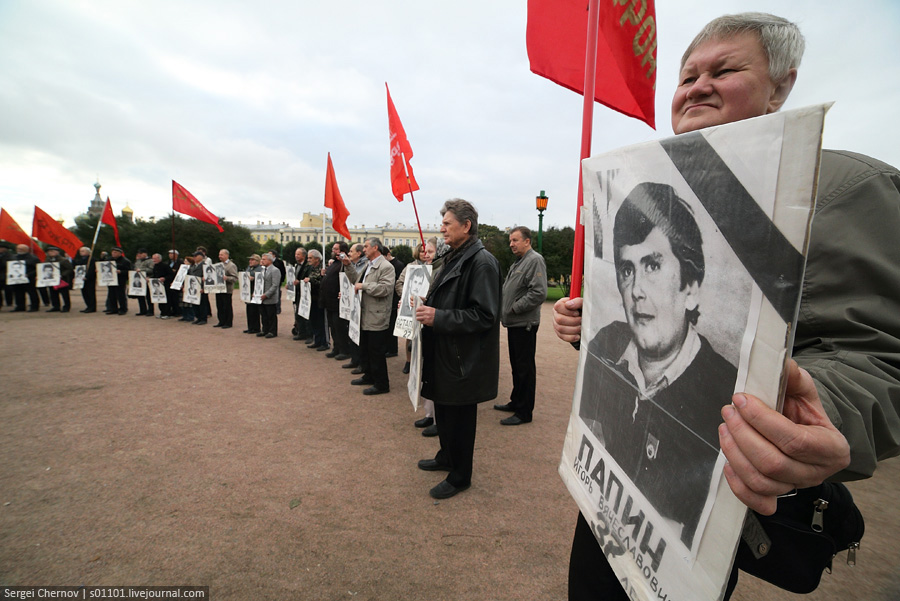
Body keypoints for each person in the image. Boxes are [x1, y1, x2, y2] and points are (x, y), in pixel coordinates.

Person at [555, 13, 900, 600]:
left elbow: (873, 356)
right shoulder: (649, 183)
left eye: (725, 69)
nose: (697, 86)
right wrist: (589, 324)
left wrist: (807, 415)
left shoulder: (838, 187)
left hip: (707, 505)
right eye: (687, 75)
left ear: (781, 86)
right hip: (610, 498)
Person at [415, 199, 501, 499]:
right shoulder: (454, 257)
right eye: (442, 223)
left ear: (466, 226)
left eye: (447, 223)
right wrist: (430, 306)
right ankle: (446, 457)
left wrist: (438, 316)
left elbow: (485, 315)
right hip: (447, 352)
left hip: (464, 359)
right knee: (446, 413)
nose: (442, 228)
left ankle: (461, 475)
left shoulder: (482, 262)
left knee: (461, 420)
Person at [494, 226, 548, 426]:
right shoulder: (520, 261)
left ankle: (524, 412)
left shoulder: (534, 260)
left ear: (527, 241)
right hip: (515, 323)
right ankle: (516, 402)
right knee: (517, 366)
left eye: (515, 240)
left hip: (524, 323)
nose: (511, 244)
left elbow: (539, 292)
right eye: (510, 241)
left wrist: (515, 308)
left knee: (524, 367)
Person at [344, 237, 395, 396]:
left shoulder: (386, 267)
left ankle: (381, 384)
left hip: (377, 316)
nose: (364, 249)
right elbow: (355, 281)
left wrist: (364, 286)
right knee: (365, 348)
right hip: (364, 314)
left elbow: (385, 289)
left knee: (376, 351)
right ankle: (369, 375)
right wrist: (348, 266)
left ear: (375, 248)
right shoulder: (368, 265)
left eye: (366, 246)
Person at [321, 242, 353, 360]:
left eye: (336, 249)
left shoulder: (344, 264)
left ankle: (345, 350)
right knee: (333, 327)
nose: (333, 250)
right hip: (329, 302)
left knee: (340, 327)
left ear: (342, 251)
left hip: (339, 302)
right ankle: (336, 348)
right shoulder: (334, 263)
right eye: (333, 249)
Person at [303, 249, 328, 350]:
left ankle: (324, 342)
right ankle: (317, 340)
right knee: (313, 320)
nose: (308, 260)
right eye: (308, 258)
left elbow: (323, 283)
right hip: (311, 299)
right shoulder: (310, 268)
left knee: (321, 321)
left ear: (317, 259)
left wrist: (311, 280)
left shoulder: (323, 268)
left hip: (320, 299)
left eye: (310, 258)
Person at [384, 247, 405, 358]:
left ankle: (392, 349)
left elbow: (399, 282)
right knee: (387, 326)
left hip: (394, 300)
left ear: (387, 254)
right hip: (388, 299)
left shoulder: (398, 265)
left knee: (392, 325)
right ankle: (387, 347)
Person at [10, 244, 40, 312]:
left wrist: (29, 274)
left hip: (29, 279)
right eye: (18, 248)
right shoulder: (13, 257)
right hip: (17, 279)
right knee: (18, 293)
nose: (19, 250)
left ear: (27, 249)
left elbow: (38, 268)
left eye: (21, 249)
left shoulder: (33, 258)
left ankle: (34, 306)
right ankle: (20, 306)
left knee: (32, 293)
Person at [214, 249, 238, 329]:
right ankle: (221, 321)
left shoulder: (231, 265)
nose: (219, 256)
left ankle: (228, 322)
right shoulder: (218, 265)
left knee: (226, 306)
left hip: (227, 289)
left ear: (227, 255)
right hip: (218, 289)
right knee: (219, 305)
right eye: (219, 254)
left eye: (221, 255)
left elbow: (235, 278)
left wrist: (227, 278)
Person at [45, 246, 74, 313]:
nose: (50, 253)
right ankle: (56, 306)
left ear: (57, 252)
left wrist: (62, 274)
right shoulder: (47, 260)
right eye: (49, 251)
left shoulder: (63, 260)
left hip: (62, 280)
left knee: (64, 294)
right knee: (53, 294)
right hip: (52, 280)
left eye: (52, 251)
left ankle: (66, 307)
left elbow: (70, 269)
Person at [258, 252, 281, 338]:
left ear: (270, 260)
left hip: (270, 297)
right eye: (262, 259)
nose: (262, 261)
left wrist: (266, 295)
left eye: (264, 259)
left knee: (271, 315)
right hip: (261, 297)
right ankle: (265, 329)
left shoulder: (275, 270)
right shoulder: (263, 270)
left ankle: (272, 331)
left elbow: (275, 285)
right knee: (263, 315)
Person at [292, 248, 310, 341]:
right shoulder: (296, 266)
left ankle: (306, 333)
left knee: (304, 314)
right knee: (298, 313)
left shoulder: (307, 266)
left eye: (298, 254)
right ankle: (301, 332)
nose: (296, 256)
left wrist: (300, 282)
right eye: (296, 254)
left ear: (304, 255)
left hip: (305, 293)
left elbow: (307, 278)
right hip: (298, 293)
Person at [106, 247, 131, 315]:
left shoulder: (125, 261)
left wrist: (121, 272)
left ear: (120, 253)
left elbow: (129, 271)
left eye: (115, 252)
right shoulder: (109, 260)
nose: (113, 253)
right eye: (113, 252)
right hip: (111, 280)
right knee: (111, 295)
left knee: (121, 295)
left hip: (120, 280)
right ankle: (113, 308)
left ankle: (123, 309)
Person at [150, 253, 174, 319]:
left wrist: (165, 278)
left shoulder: (165, 266)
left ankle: (167, 313)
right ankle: (162, 312)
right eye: (153, 258)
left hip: (165, 285)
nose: (153, 260)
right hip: (158, 286)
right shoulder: (155, 266)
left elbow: (171, 275)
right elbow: (155, 275)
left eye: (155, 258)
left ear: (159, 259)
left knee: (167, 300)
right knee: (160, 299)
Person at [243, 254, 263, 334]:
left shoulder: (259, 269)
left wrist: (254, 279)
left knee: (254, 311)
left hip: (255, 292)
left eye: (252, 260)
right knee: (249, 310)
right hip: (248, 292)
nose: (250, 261)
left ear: (257, 261)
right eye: (250, 260)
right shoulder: (249, 268)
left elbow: (260, 280)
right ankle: (250, 327)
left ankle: (256, 328)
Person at [73, 247, 97, 313]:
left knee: (90, 293)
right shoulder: (80, 260)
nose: (81, 252)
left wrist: (87, 276)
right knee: (84, 293)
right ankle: (88, 306)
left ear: (88, 252)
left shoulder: (92, 260)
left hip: (89, 279)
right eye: (80, 251)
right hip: (81, 279)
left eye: (83, 251)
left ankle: (92, 307)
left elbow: (92, 269)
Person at [187, 252, 208, 325]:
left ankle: (203, 318)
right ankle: (198, 317)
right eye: (194, 256)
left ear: (201, 257)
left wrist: (204, 288)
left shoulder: (204, 266)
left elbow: (207, 277)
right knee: (195, 304)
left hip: (201, 288)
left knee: (202, 304)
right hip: (193, 287)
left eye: (196, 256)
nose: (194, 257)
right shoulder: (192, 267)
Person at [133, 249, 154, 316]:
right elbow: (134, 268)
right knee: (140, 296)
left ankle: (150, 310)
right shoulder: (138, 261)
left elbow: (151, 270)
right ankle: (142, 310)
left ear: (145, 254)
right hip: (139, 280)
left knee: (148, 296)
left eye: (141, 253)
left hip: (147, 279)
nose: (139, 255)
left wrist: (142, 270)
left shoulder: (150, 261)